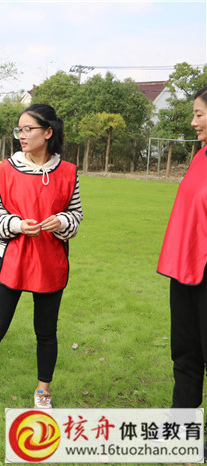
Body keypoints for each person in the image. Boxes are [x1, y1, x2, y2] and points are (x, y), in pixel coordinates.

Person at [0, 103, 83, 416]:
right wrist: (16, 225)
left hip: (51, 260)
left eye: (28, 129)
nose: (21, 135)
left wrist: (62, 221)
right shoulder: (5, 170)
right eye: (19, 130)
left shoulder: (68, 172)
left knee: (46, 331)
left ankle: (43, 391)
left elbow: (76, 214)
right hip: (11, 257)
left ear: (48, 132)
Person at [157, 86, 207, 410]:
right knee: (186, 354)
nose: (193, 122)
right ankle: (181, 429)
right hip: (185, 269)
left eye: (199, 114)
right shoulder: (200, 156)